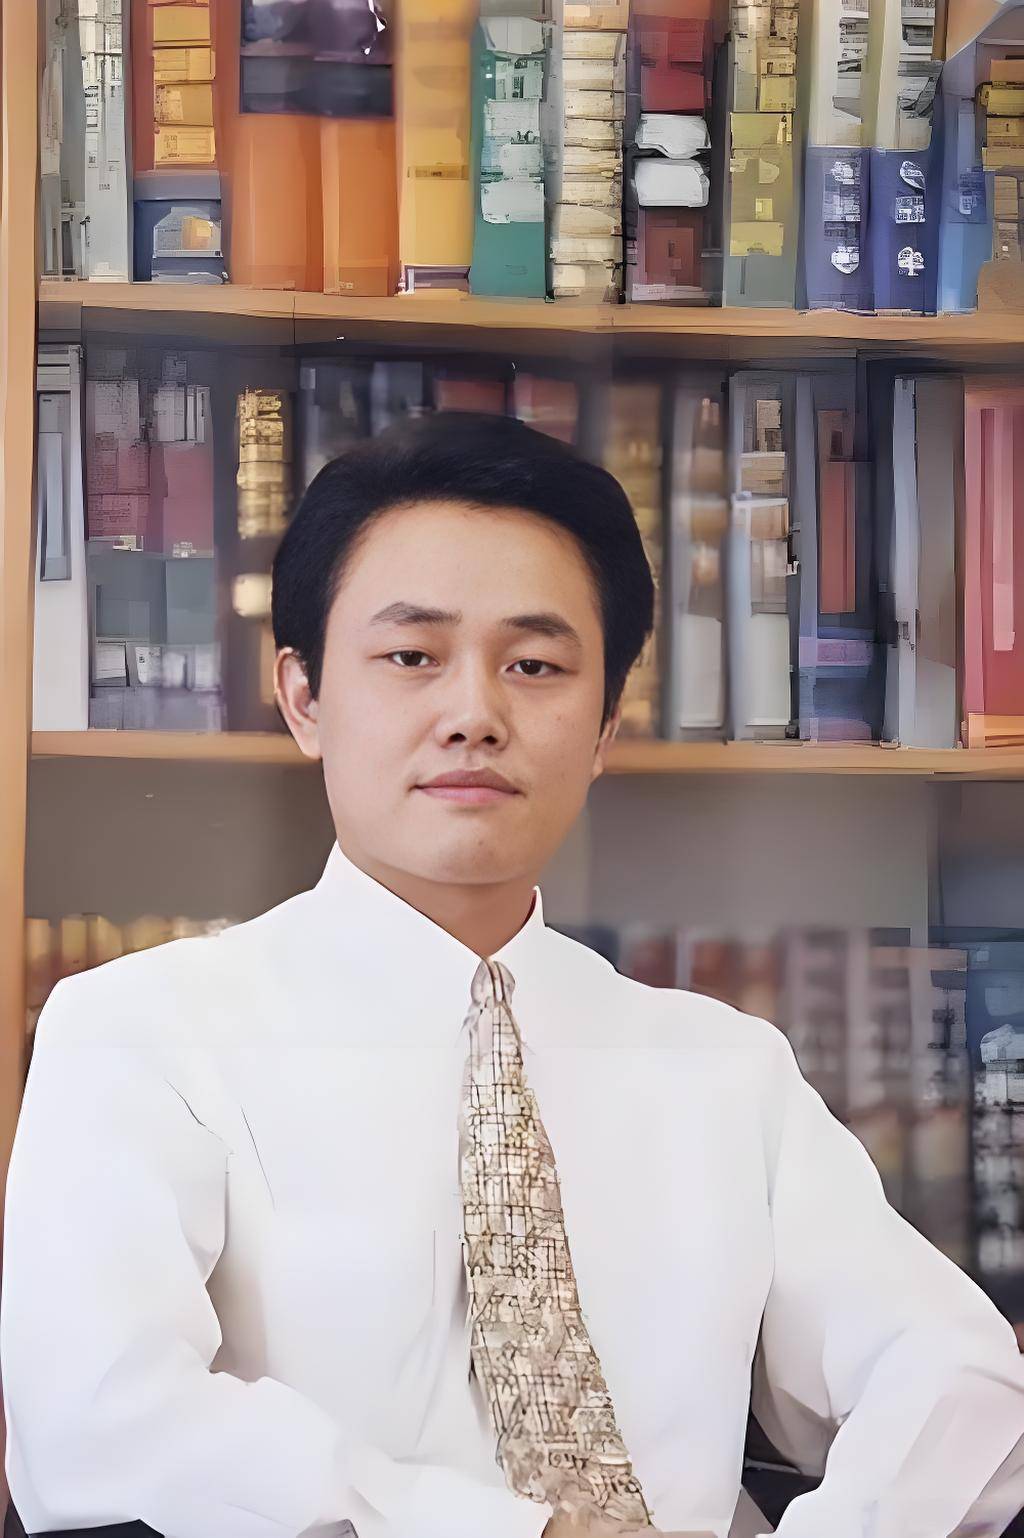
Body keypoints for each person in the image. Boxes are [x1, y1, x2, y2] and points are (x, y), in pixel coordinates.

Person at [2, 412, 1024, 1538]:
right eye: (412, 657)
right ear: (302, 696)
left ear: (605, 722)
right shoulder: (141, 1035)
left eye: (535, 666)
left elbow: (962, 1382)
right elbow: (98, 1428)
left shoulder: (724, 1069)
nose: (475, 716)